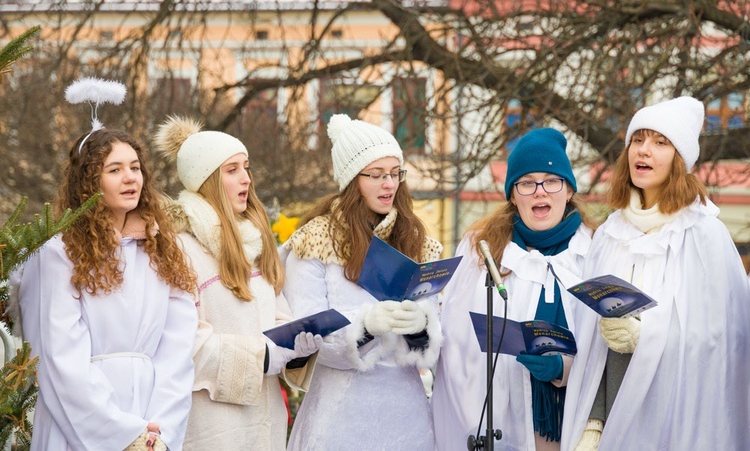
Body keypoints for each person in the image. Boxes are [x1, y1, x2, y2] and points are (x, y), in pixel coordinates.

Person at [17, 80, 198, 450]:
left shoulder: (162, 249)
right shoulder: (58, 253)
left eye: (135, 167)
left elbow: (177, 349)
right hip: (80, 423)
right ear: (87, 183)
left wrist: (157, 432)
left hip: (151, 419)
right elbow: (58, 358)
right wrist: (121, 434)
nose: (130, 177)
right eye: (114, 170)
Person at [564, 96, 750, 450]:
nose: (643, 151)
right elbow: (589, 340)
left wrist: (645, 336)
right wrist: (594, 419)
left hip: (674, 421)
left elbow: (722, 345)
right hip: (611, 419)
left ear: (680, 160)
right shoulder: (610, 234)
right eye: (638, 139)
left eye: (660, 142)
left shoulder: (703, 234)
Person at [154, 116, 321, 451]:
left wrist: (297, 346)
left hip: (266, 424)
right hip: (211, 428)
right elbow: (183, 342)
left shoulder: (254, 244)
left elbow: (276, 315)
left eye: (246, 168)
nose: (246, 179)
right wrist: (261, 357)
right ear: (207, 180)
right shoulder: (179, 247)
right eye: (232, 170)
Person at [282, 113, 443, 450]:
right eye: (377, 175)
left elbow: (436, 340)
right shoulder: (315, 240)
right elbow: (306, 335)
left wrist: (421, 326)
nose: (389, 184)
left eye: (395, 173)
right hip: (339, 417)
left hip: (406, 417)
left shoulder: (417, 241)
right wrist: (366, 326)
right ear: (352, 179)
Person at [431, 127, 595, 451]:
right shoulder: (482, 254)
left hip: (573, 429)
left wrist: (565, 368)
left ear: (569, 190)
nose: (540, 192)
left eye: (552, 180)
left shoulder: (595, 253)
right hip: (502, 431)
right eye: (526, 183)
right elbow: (455, 340)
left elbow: (609, 345)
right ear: (512, 194)